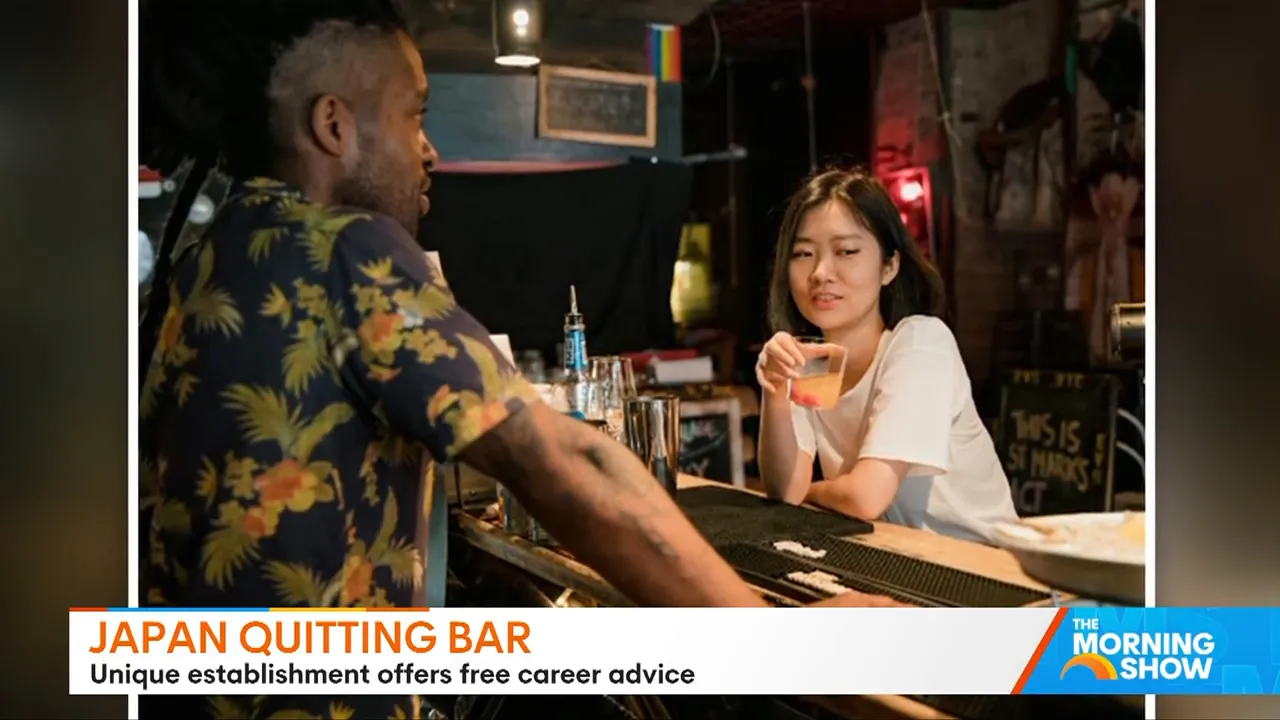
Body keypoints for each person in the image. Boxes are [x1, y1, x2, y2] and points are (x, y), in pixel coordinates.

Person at [138, 3, 905, 718]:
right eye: (415, 116)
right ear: (334, 125)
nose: (429, 150)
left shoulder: (212, 257)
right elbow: (565, 460)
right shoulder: (344, 247)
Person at [755, 169, 1017, 544]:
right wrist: (776, 390)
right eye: (803, 253)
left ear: (889, 266)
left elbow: (864, 498)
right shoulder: (809, 359)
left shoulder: (921, 344)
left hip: (988, 571)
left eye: (846, 251)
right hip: (897, 561)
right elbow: (784, 490)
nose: (820, 272)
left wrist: (811, 493)